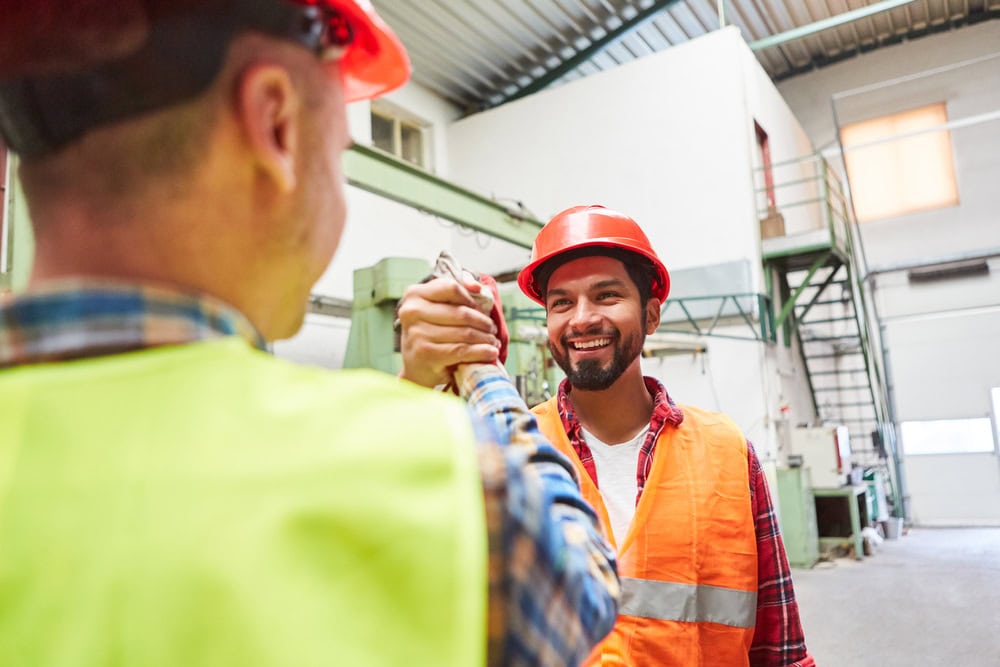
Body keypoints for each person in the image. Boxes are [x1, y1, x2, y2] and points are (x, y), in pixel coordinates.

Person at [0, 3, 619, 665]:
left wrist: (414, 385)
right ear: (275, 123)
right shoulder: (449, 480)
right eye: (344, 151)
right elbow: (583, 572)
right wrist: (481, 369)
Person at [400, 205, 816, 666]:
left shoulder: (728, 451)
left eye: (606, 296)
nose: (581, 319)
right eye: (561, 303)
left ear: (652, 315)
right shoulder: (502, 446)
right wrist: (417, 378)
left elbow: (782, 651)